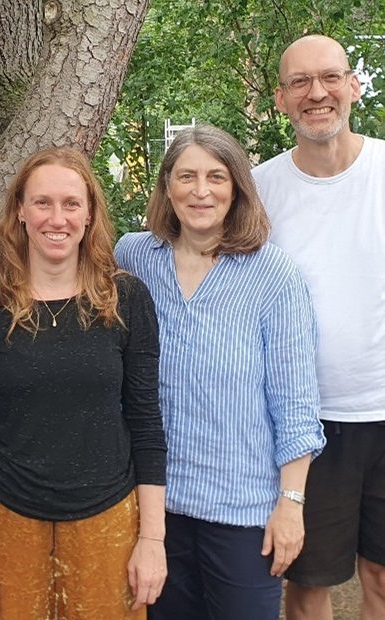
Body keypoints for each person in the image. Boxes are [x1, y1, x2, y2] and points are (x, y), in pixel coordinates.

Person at [0, 146, 167, 620]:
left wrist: (152, 538)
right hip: (5, 518)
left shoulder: (126, 299)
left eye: (71, 204)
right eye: (42, 203)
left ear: (90, 215)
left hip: (109, 519)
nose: (57, 218)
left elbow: (146, 422)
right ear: (20, 212)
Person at [115, 125, 325, 620]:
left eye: (216, 177)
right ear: (167, 187)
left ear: (237, 188)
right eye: (186, 176)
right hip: (154, 511)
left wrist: (291, 502)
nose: (201, 191)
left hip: (242, 514)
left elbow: (296, 402)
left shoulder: (273, 276)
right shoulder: (134, 258)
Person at [252, 34, 385, 620]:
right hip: (306, 424)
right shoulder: (257, 191)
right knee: (306, 584)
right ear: (281, 99)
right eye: (299, 82)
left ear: (353, 87)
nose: (317, 93)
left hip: (383, 409)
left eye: (330, 77)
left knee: (381, 576)